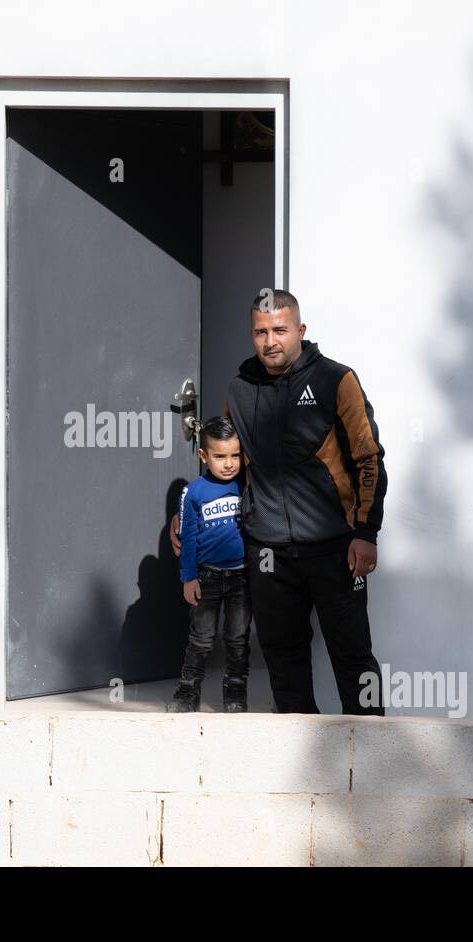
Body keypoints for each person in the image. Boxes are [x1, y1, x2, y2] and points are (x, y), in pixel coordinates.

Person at [173, 289, 387, 715]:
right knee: (282, 659)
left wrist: (365, 532)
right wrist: (187, 512)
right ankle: (300, 769)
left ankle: (373, 755)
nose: (270, 340)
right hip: (267, 551)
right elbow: (226, 464)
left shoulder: (335, 379)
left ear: (300, 331)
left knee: (353, 657)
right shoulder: (239, 388)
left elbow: (369, 457)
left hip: (334, 548)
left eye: (280, 330)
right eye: (260, 332)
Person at [168, 417, 252, 713]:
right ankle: (187, 692)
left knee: (237, 638)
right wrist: (188, 577)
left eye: (234, 455)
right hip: (206, 578)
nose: (228, 463)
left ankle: (235, 694)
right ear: (203, 456)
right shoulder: (194, 492)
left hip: (242, 578)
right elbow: (188, 537)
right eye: (219, 456)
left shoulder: (247, 484)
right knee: (201, 639)